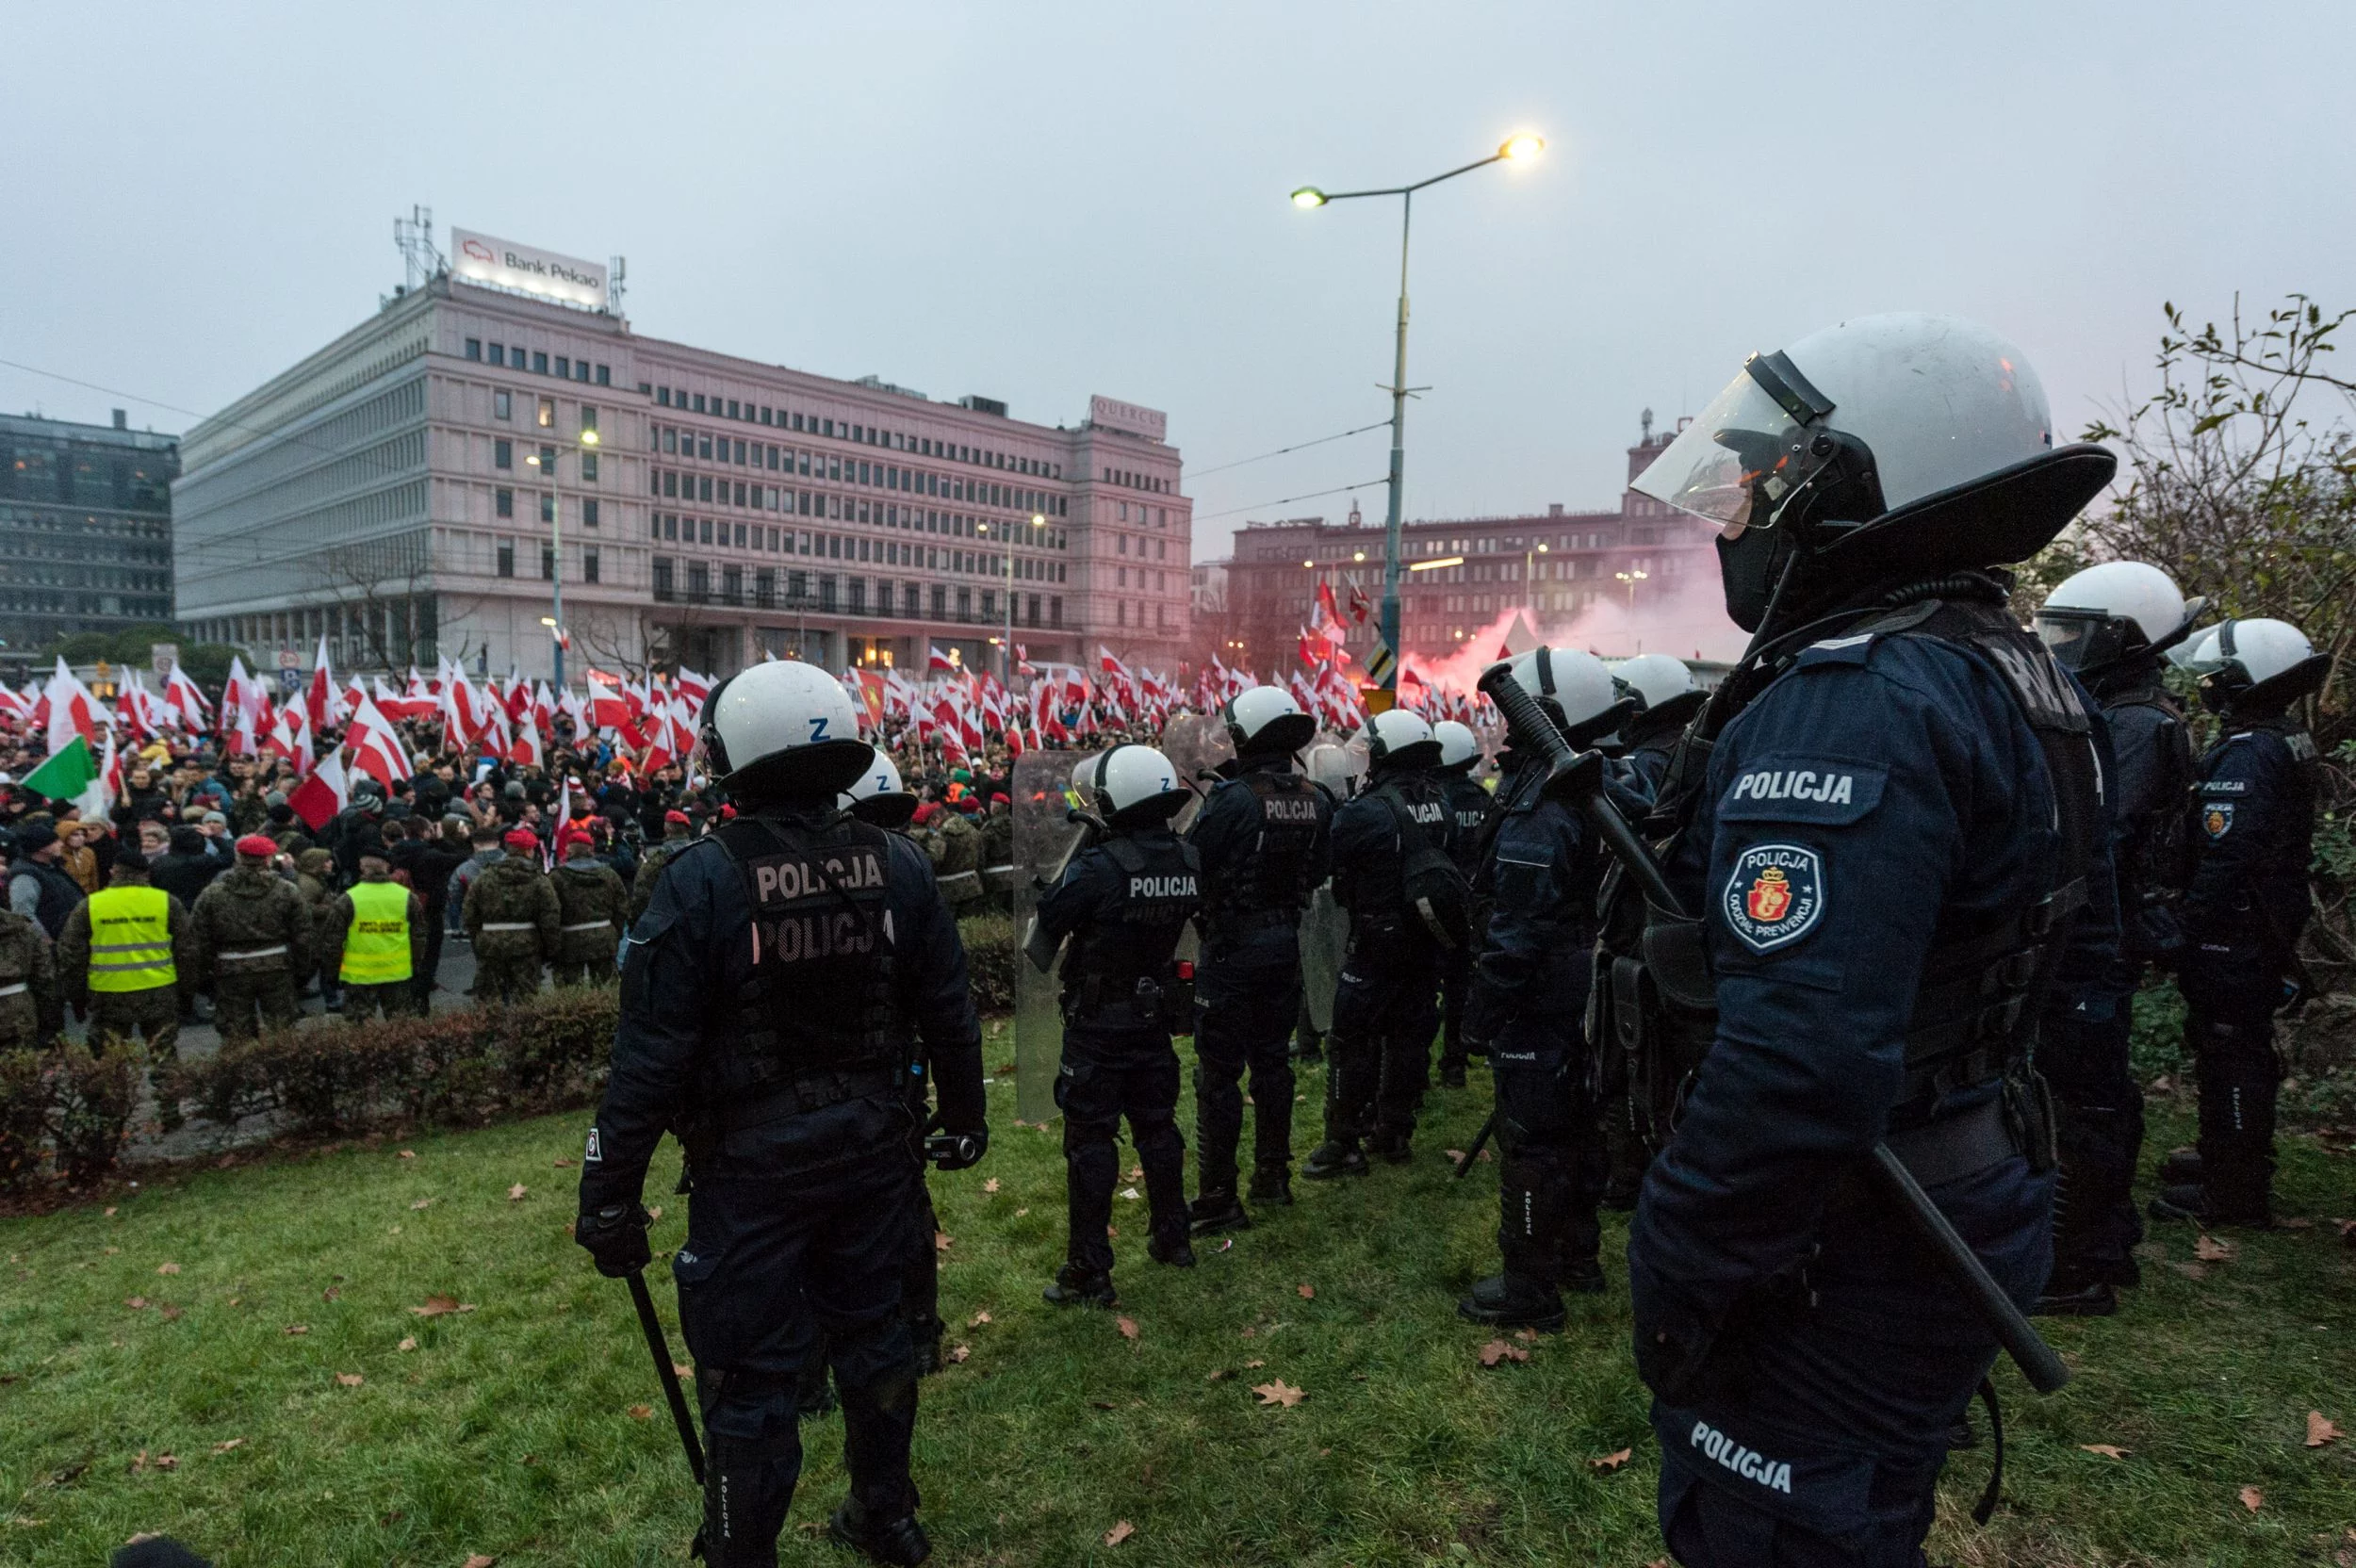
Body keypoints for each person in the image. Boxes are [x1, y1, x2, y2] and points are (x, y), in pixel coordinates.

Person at [1616, 313, 2119, 1562]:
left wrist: (1678, 1259)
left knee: (1779, 1527)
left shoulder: (1855, 702)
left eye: (1761, 485)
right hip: (1963, 1170)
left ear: (1863, 482)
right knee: (1868, 1513)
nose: (1736, 520)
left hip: (1845, 1232)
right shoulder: (2011, 670)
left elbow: (1800, 1065)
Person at [574, 662, 986, 1567]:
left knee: (753, 1378)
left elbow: (647, 1060)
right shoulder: (899, 862)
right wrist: (964, 1117)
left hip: (752, 1172)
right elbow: (950, 1009)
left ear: (731, 756)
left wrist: (607, 1193)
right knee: (876, 1343)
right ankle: (890, 1520)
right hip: (875, 1150)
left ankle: (744, 1553)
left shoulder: (697, 880)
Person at [2028, 562, 2202, 1311]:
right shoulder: (2129, 712)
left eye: (2075, 635)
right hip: (2110, 936)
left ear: (2124, 638)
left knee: (2084, 1100)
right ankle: (2107, 1242)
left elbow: (2098, 830)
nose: (2060, 650)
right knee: (2092, 1091)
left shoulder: (2132, 724)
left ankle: (2080, 1266)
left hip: (2101, 943)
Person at [1460, 647, 1628, 1330]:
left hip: (1542, 995)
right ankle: (1576, 1257)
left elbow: (1517, 931)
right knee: (1579, 1125)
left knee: (1530, 1138)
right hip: (1590, 985)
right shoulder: (1608, 786)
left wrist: (1481, 1012)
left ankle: (1529, 1286)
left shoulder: (1542, 806)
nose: (1502, 733)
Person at [2149, 617, 2325, 1229]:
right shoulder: (2283, 737)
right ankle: (2227, 1155)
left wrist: (2185, 927)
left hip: (2236, 930)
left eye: (2219, 677)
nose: (2208, 687)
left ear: (2252, 680)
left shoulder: (2250, 753)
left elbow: (2227, 855)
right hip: (2262, 923)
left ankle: (2236, 1192)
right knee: (2232, 1044)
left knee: (2232, 1049)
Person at [1027, 743, 1202, 1304]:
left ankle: (1089, 1269)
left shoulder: (1099, 868)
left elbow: (1047, 927)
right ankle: (1175, 1239)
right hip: (1154, 1016)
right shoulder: (1187, 858)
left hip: (1099, 1025)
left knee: (1091, 1141)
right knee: (1159, 1128)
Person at [1185, 687, 1330, 1232]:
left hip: (1230, 950)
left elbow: (1193, 866)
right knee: (1273, 1064)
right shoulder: (1317, 798)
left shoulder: (1233, 800)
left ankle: (1219, 1199)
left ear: (1245, 736)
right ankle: (1273, 1178)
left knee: (1219, 1076)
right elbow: (1317, 873)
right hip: (1283, 946)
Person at [1303, 710, 1455, 1178]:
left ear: (1386, 753)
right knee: (1409, 1035)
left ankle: (1344, 1143)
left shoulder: (1365, 811)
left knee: (1351, 1040)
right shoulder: (1439, 801)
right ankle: (1394, 1131)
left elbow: (1324, 863)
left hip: (1375, 939)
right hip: (1424, 938)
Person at [58, 847, 196, 1121]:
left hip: (109, 992)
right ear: (146, 873)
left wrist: (75, 997)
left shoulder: (91, 904)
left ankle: (111, 1118)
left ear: (113, 872)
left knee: (109, 1059)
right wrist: (188, 990)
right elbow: (188, 950)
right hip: (159, 989)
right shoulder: (166, 902)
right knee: (164, 1054)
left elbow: (71, 954)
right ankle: (170, 1112)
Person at [190, 835, 312, 1043]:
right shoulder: (287, 890)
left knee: (236, 1034)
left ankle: (243, 1073)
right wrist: (302, 971)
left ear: (238, 857)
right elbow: (303, 934)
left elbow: (198, 936)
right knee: (282, 1031)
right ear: (268, 859)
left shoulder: (212, 893)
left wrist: (204, 974)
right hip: (276, 967)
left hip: (230, 969)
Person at [1431, 718, 1496, 1091]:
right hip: (1469, 906)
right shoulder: (1482, 798)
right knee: (1459, 986)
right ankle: (1453, 1065)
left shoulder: (1431, 801)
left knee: (1422, 989)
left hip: (1432, 903)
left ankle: (1411, 1073)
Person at [326, 849, 426, 1021]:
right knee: (401, 1026)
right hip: (397, 972)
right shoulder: (407, 897)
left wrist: (333, 972)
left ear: (362, 868)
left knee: (360, 1030)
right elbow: (419, 937)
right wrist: (415, 964)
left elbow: (333, 941)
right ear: (388, 868)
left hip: (360, 974)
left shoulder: (348, 899)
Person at [465, 829, 559, 1004]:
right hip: (526, 946)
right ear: (529, 851)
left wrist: (479, 939)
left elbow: (470, 913)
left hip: (490, 945)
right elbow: (550, 917)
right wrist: (551, 949)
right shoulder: (539, 880)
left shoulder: (485, 877)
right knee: (526, 1000)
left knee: (490, 1000)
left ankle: (492, 1030)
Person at [549, 824, 629, 986]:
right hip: (604, 937)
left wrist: (552, 942)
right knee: (606, 989)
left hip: (569, 941)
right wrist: (616, 933)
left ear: (569, 850)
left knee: (569, 992)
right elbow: (621, 907)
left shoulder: (556, 878)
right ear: (590, 850)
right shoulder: (609, 875)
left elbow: (550, 911)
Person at [0, 902, 61, 1050]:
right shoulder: (23, 928)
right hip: (19, 1014)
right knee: (19, 1066)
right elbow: (45, 979)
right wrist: (51, 1023)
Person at [7, 823, 84, 939]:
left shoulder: (52, 867)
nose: (61, 844)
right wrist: (47, 943)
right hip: (53, 946)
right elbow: (23, 915)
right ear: (43, 848)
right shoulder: (25, 876)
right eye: (55, 842)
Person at [629, 808, 695, 926]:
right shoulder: (698, 851)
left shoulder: (660, 856)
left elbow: (643, 889)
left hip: (668, 918)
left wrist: (635, 919)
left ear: (667, 828)